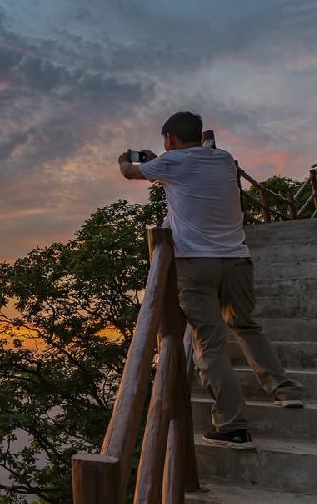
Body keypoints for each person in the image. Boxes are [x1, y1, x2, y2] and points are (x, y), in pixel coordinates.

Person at [117, 110, 304, 450]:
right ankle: (284, 390)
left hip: (196, 263)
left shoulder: (170, 164)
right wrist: (161, 160)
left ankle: (233, 426)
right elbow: (192, 165)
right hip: (237, 260)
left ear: (170, 140)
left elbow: (130, 172)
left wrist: (127, 158)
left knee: (210, 343)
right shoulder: (223, 159)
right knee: (246, 326)